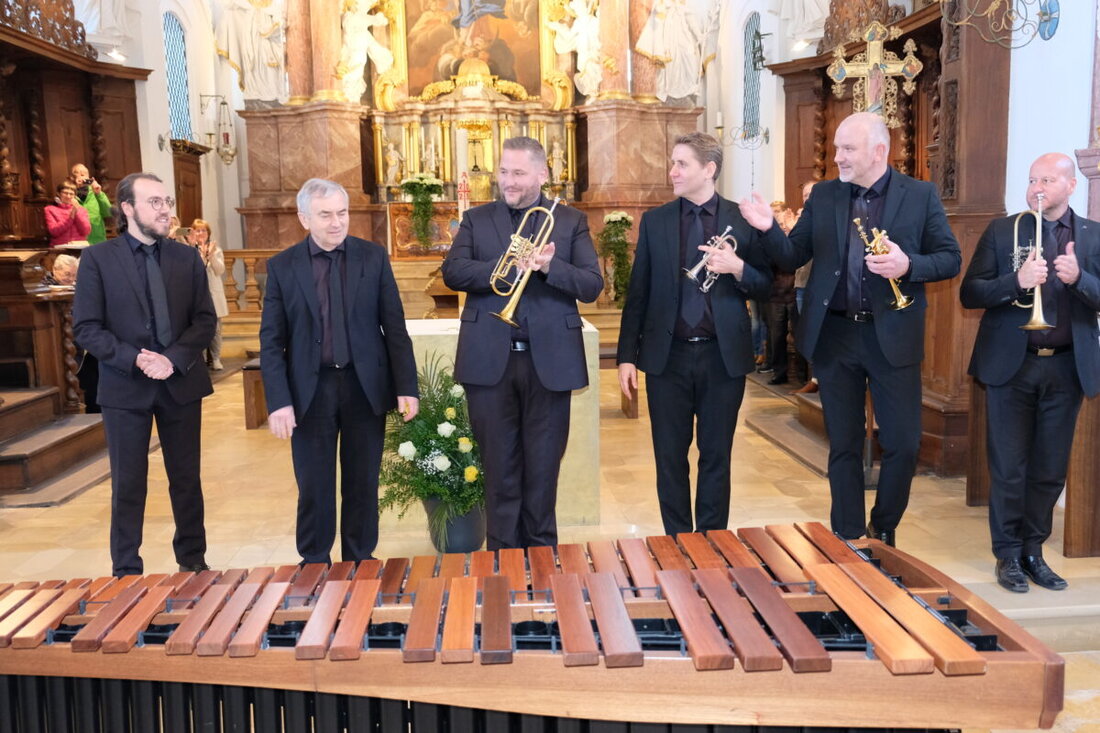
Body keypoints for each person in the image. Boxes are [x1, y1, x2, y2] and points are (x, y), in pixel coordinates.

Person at [739, 111, 962, 546]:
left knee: (903, 444)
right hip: (835, 336)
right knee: (843, 444)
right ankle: (848, 534)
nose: (836, 157)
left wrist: (908, 264)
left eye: (847, 149)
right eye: (836, 147)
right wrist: (767, 227)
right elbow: (791, 255)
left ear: (879, 151)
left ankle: (884, 525)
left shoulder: (919, 196)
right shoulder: (824, 196)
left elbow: (950, 258)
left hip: (892, 337)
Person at [441, 136, 603, 549]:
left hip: (548, 364)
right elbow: (453, 272)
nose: (507, 181)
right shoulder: (477, 220)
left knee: (543, 471)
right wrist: (506, 267)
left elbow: (591, 285)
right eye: (503, 172)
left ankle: (542, 561)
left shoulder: (569, 221)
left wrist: (550, 265)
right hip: (489, 364)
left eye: (518, 173)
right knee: (499, 470)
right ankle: (501, 562)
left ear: (542, 174)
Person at [617, 132, 772, 536]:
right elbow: (639, 292)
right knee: (669, 457)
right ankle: (677, 541)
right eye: (673, 162)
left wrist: (737, 268)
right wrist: (626, 356)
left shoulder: (741, 219)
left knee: (716, 456)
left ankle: (712, 541)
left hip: (723, 358)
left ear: (709, 169)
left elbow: (767, 285)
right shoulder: (656, 221)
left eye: (681, 163)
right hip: (667, 358)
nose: (672, 171)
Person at [960, 153, 1100, 593]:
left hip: (1066, 368)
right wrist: (1015, 282)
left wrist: (1080, 278)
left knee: (1048, 469)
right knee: (1009, 466)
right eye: (1032, 179)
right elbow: (970, 293)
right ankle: (1007, 555)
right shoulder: (1004, 231)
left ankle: (1033, 551)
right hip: (1012, 366)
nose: (1037, 187)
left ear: (1070, 185)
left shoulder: (1093, 237)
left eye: (1047, 179)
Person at [260, 178, 419, 565]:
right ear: (304, 218)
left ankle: (360, 557)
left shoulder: (373, 257)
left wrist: (407, 386)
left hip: (364, 387)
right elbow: (271, 341)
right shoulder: (283, 267)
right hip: (309, 391)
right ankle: (314, 560)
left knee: (362, 481)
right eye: (325, 214)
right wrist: (279, 402)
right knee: (314, 485)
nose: (336, 222)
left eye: (342, 213)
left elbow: (394, 326)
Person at [73, 172, 217, 576]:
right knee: (128, 482)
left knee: (187, 480)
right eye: (154, 202)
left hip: (180, 383)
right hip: (125, 386)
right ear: (128, 208)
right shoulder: (99, 259)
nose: (165, 210)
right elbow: (86, 327)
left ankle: (193, 560)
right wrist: (136, 358)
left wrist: (171, 359)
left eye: (167, 201)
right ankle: (125, 568)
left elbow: (204, 321)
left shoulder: (185, 257)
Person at [187, 219, 229, 370]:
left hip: (213, 293)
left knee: (216, 329)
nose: (200, 233)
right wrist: (195, 249)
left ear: (208, 233)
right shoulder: (189, 249)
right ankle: (202, 359)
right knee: (199, 328)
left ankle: (216, 358)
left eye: (203, 230)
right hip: (197, 294)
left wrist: (210, 255)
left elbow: (219, 270)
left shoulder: (216, 250)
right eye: (197, 230)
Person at [70, 163, 112, 244]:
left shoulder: (96, 192)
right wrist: (75, 192)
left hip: (97, 239)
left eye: (83, 174)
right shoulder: (69, 193)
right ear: (72, 178)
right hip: (77, 239)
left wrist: (99, 193)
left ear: (89, 178)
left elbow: (108, 212)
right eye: (77, 174)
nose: (80, 177)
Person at [45, 182, 91, 247]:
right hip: (60, 247)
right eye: (65, 193)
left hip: (79, 247)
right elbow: (54, 232)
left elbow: (86, 231)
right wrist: (70, 218)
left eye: (71, 194)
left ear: (75, 196)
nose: (68, 196)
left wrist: (77, 211)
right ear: (58, 193)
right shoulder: (50, 209)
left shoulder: (82, 210)